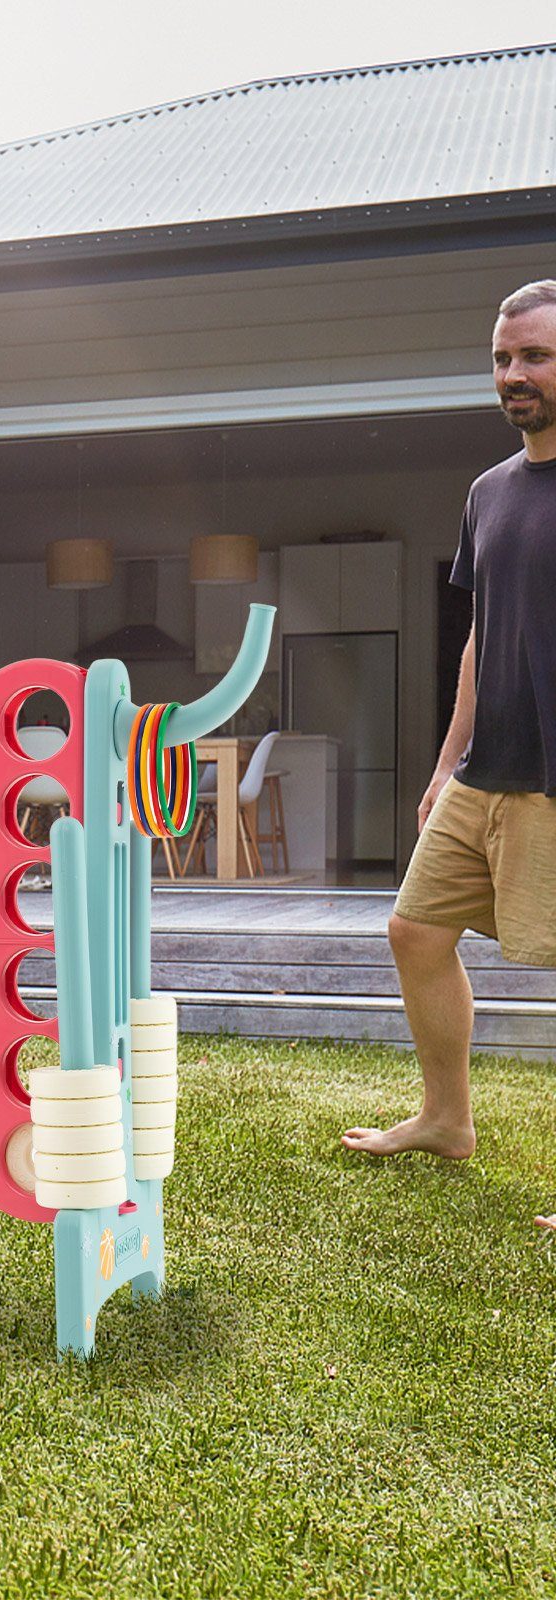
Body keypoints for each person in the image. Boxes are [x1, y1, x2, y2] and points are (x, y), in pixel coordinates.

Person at [342, 282, 556, 1231]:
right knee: (416, 931)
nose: (515, 376)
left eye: (537, 357)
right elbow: (479, 638)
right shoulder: (490, 491)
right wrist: (443, 765)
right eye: (504, 358)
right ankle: (446, 1118)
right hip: (487, 771)